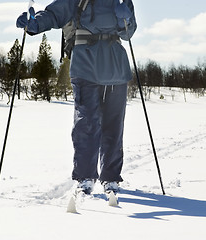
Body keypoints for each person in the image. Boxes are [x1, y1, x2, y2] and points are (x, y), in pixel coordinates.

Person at [16, 0, 137, 194]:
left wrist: (127, 19)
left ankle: (111, 178)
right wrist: (33, 23)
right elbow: (53, 15)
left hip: (116, 68)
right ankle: (85, 177)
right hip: (85, 65)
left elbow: (128, 33)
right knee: (86, 123)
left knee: (114, 125)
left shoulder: (121, 0)